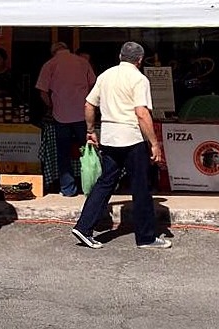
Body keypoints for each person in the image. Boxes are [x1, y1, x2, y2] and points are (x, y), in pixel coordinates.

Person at [71, 42, 171, 249]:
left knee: (105, 182)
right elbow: (142, 113)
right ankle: (146, 237)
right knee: (141, 187)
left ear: (120, 56)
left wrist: (90, 131)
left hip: (109, 136)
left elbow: (89, 104)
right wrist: (154, 143)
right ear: (140, 60)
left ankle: (84, 226)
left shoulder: (106, 75)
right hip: (132, 137)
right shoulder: (139, 79)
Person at [35, 41, 96, 196]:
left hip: (61, 116)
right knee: (89, 151)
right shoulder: (83, 62)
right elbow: (93, 85)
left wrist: (52, 106)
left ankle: (68, 188)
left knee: (64, 154)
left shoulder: (50, 64)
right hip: (83, 115)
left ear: (54, 52)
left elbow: (42, 92)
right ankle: (92, 185)